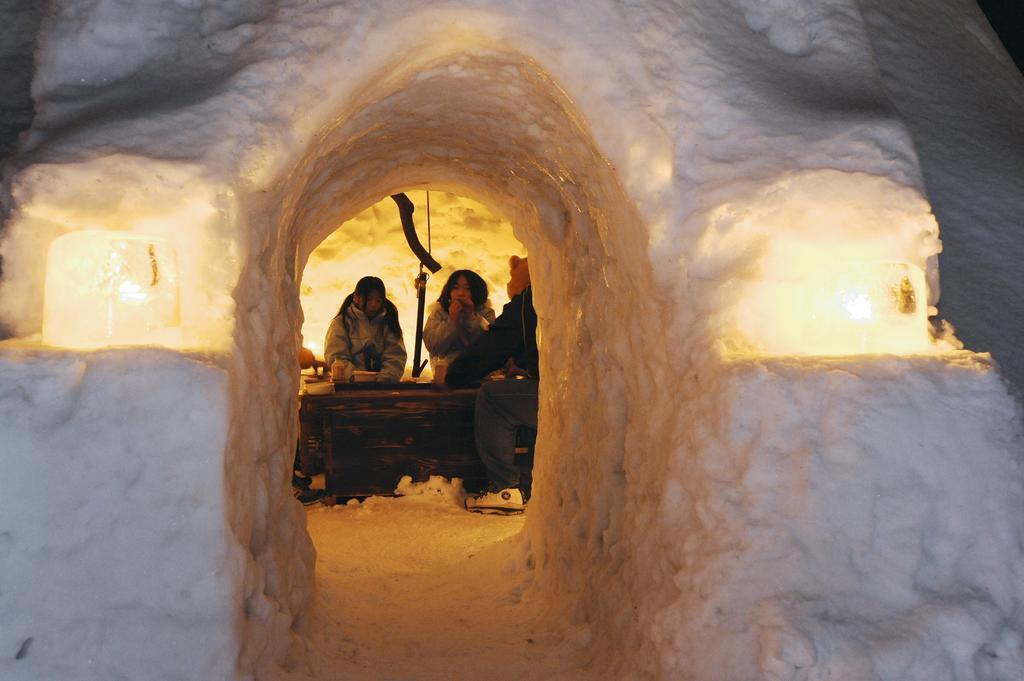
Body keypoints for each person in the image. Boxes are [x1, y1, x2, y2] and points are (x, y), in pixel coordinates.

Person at [446, 256, 537, 514]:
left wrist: (453, 376)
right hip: (581, 392)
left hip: (559, 395)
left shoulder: (527, 302)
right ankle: (530, 485)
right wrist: (525, 364)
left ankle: (503, 488)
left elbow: (491, 348)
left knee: (492, 397)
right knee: (520, 398)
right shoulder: (561, 298)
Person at [324, 276, 408, 383]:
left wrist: (385, 378)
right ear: (356, 297)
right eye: (368, 299)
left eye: (378, 300)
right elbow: (337, 357)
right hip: (350, 387)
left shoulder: (388, 322)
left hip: (383, 388)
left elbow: (395, 355)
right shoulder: (342, 322)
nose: (373, 305)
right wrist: (357, 378)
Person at [422, 269, 496, 374]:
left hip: (480, 374)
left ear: (477, 291)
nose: (461, 293)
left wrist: (471, 316)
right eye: (455, 288)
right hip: (446, 373)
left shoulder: (486, 313)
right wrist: (452, 320)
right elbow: (433, 346)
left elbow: (488, 345)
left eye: (468, 289)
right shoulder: (439, 312)